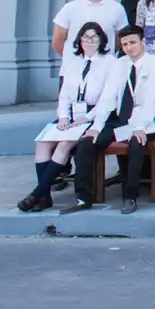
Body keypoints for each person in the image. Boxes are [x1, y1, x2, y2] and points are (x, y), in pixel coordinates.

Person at [63, 25, 155, 215]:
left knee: (136, 144)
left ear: (143, 42)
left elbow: (153, 103)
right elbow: (108, 99)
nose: (129, 48)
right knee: (87, 143)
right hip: (121, 121)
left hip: (148, 120)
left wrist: (139, 127)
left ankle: (130, 197)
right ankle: (83, 197)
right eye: (125, 44)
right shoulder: (120, 64)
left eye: (133, 43)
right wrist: (96, 127)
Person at [21, 22, 113, 212]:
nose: (89, 41)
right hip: (71, 115)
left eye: (94, 37)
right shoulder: (73, 62)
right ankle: (44, 197)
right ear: (79, 40)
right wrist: (63, 116)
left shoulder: (109, 62)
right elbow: (64, 95)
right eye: (85, 37)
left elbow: (108, 98)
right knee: (43, 143)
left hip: (92, 116)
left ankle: (36, 194)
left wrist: (87, 117)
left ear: (101, 39)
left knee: (64, 144)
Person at [51, 0, 129, 61]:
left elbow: (121, 40)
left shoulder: (117, 8)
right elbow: (57, 41)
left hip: (105, 69)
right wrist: (72, 59)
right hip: (74, 69)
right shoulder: (70, 8)